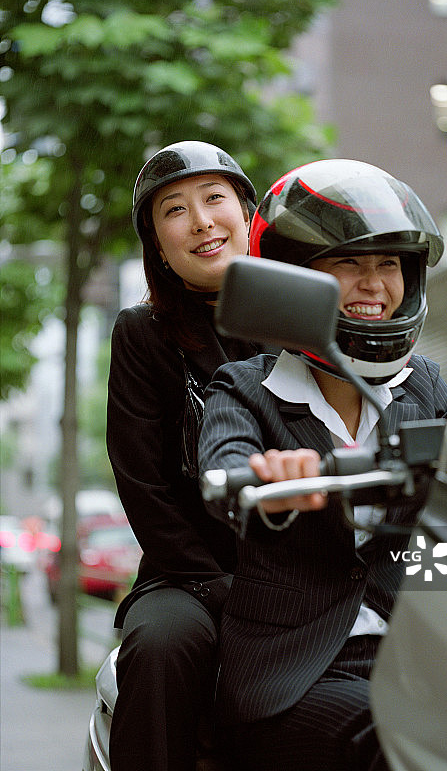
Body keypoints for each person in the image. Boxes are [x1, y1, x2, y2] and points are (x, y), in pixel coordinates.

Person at [197, 158, 447, 771]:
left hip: (420, 653)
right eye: (348, 263)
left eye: (389, 263)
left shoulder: (426, 391)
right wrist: (268, 478)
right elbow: (225, 463)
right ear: (294, 281)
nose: (374, 283)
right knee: (393, 741)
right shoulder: (245, 388)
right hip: (296, 672)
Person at [106, 140, 260, 771]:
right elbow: (142, 481)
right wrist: (221, 588)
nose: (200, 220)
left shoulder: (307, 317)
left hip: (309, 571)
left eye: (215, 198)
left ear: (249, 214)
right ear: (158, 244)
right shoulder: (142, 334)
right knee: (161, 646)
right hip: (189, 576)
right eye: (175, 209)